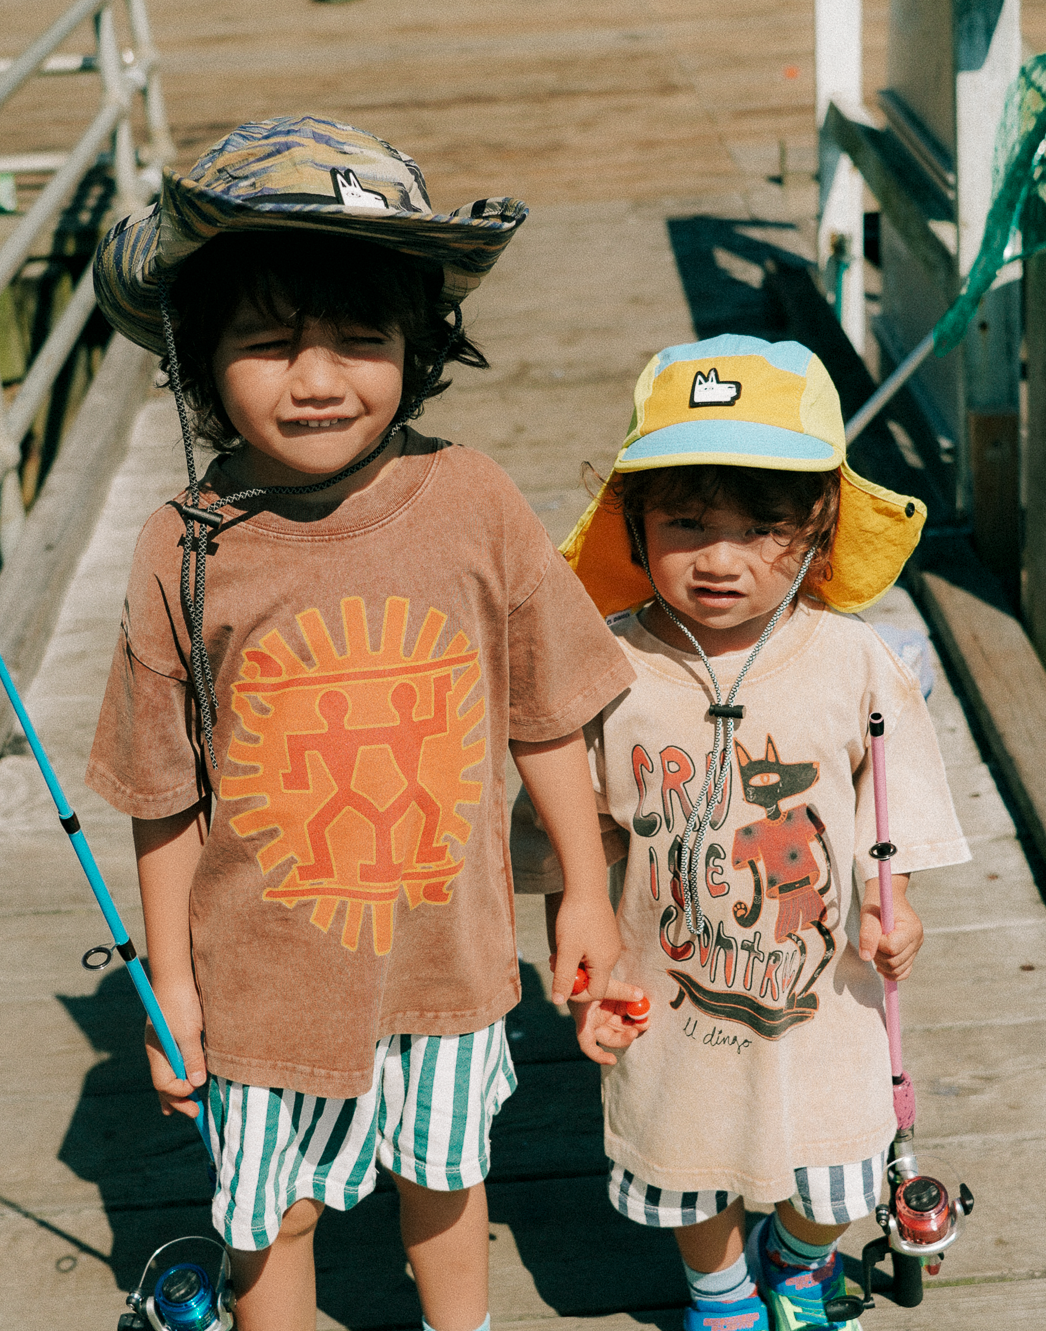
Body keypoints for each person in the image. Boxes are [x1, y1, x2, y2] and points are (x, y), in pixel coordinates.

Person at [85, 116, 636, 1331]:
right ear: (197, 357)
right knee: (264, 1208)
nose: (320, 378)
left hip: (449, 959)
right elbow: (164, 789)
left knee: (445, 1177)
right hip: (258, 984)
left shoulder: (475, 498)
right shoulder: (181, 542)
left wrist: (582, 889)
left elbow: (549, 711)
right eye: (271, 344)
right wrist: (169, 977)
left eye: (362, 339)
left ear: (420, 347)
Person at [510, 336, 970, 1331]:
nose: (720, 559)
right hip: (666, 983)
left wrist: (903, 905)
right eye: (684, 522)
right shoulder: (606, 669)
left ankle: (798, 1261)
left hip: (826, 989)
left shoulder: (855, 659)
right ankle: (719, 1292)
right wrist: (583, 969)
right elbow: (571, 839)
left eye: (762, 527)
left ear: (817, 530)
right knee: (692, 1155)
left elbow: (894, 803)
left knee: (843, 1173)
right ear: (631, 524)